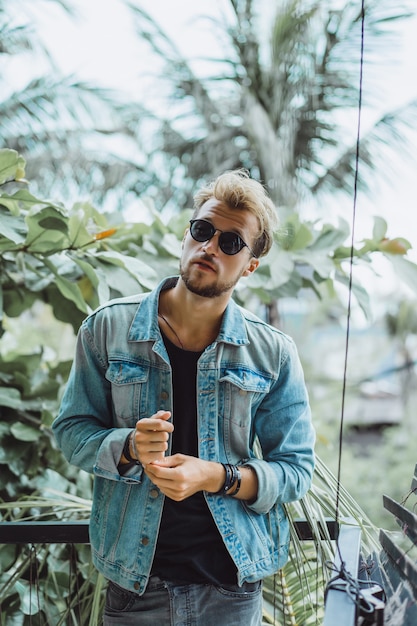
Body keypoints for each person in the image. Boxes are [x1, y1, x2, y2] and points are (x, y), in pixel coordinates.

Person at [52, 169, 315, 626]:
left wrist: (217, 476)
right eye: (203, 230)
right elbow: (71, 432)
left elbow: (296, 469)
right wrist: (130, 446)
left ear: (250, 264)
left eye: (231, 242)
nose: (211, 246)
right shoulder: (107, 329)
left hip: (230, 588)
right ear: (188, 234)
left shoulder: (272, 353)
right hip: (135, 585)